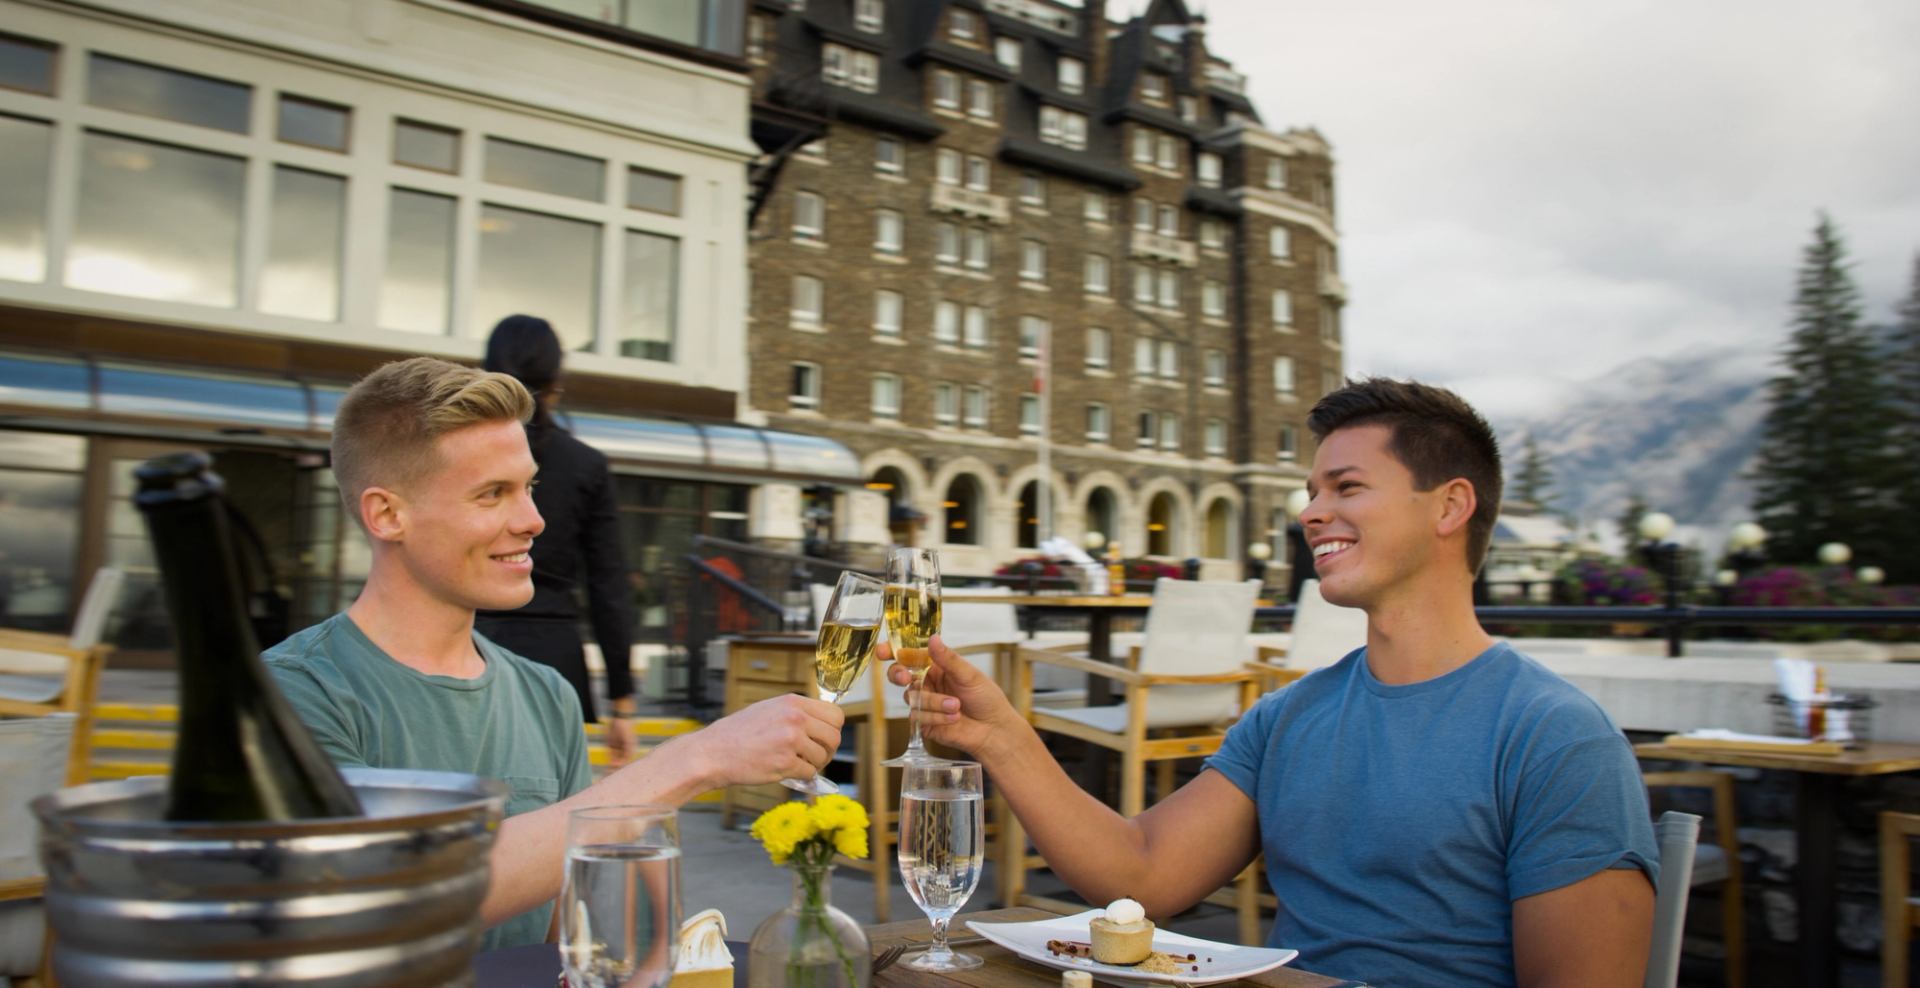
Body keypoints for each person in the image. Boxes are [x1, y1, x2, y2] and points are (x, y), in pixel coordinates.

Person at [891, 378, 1659, 986]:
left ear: (1451, 505)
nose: (1312, 513)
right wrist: (1000, 737)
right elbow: (1142, 873)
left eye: (1346, 487)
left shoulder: (1554, 738)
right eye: (1312, 492)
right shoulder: (1289, 717)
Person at [266, 357, 844, 949]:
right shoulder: (290, 692)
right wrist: (698, 758)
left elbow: (565, 933)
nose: (533, 520)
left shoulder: (545, 694)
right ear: (388, 515)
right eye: (492, 494)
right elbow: (401, 894)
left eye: (528, 488)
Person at [474, 315, 639, 765]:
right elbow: (608, 588)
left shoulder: (457, 453)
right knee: (543, 811)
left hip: (463, 644)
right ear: (555, 379)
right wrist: (622, 703)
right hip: (553, 658)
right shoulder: (585, 465)